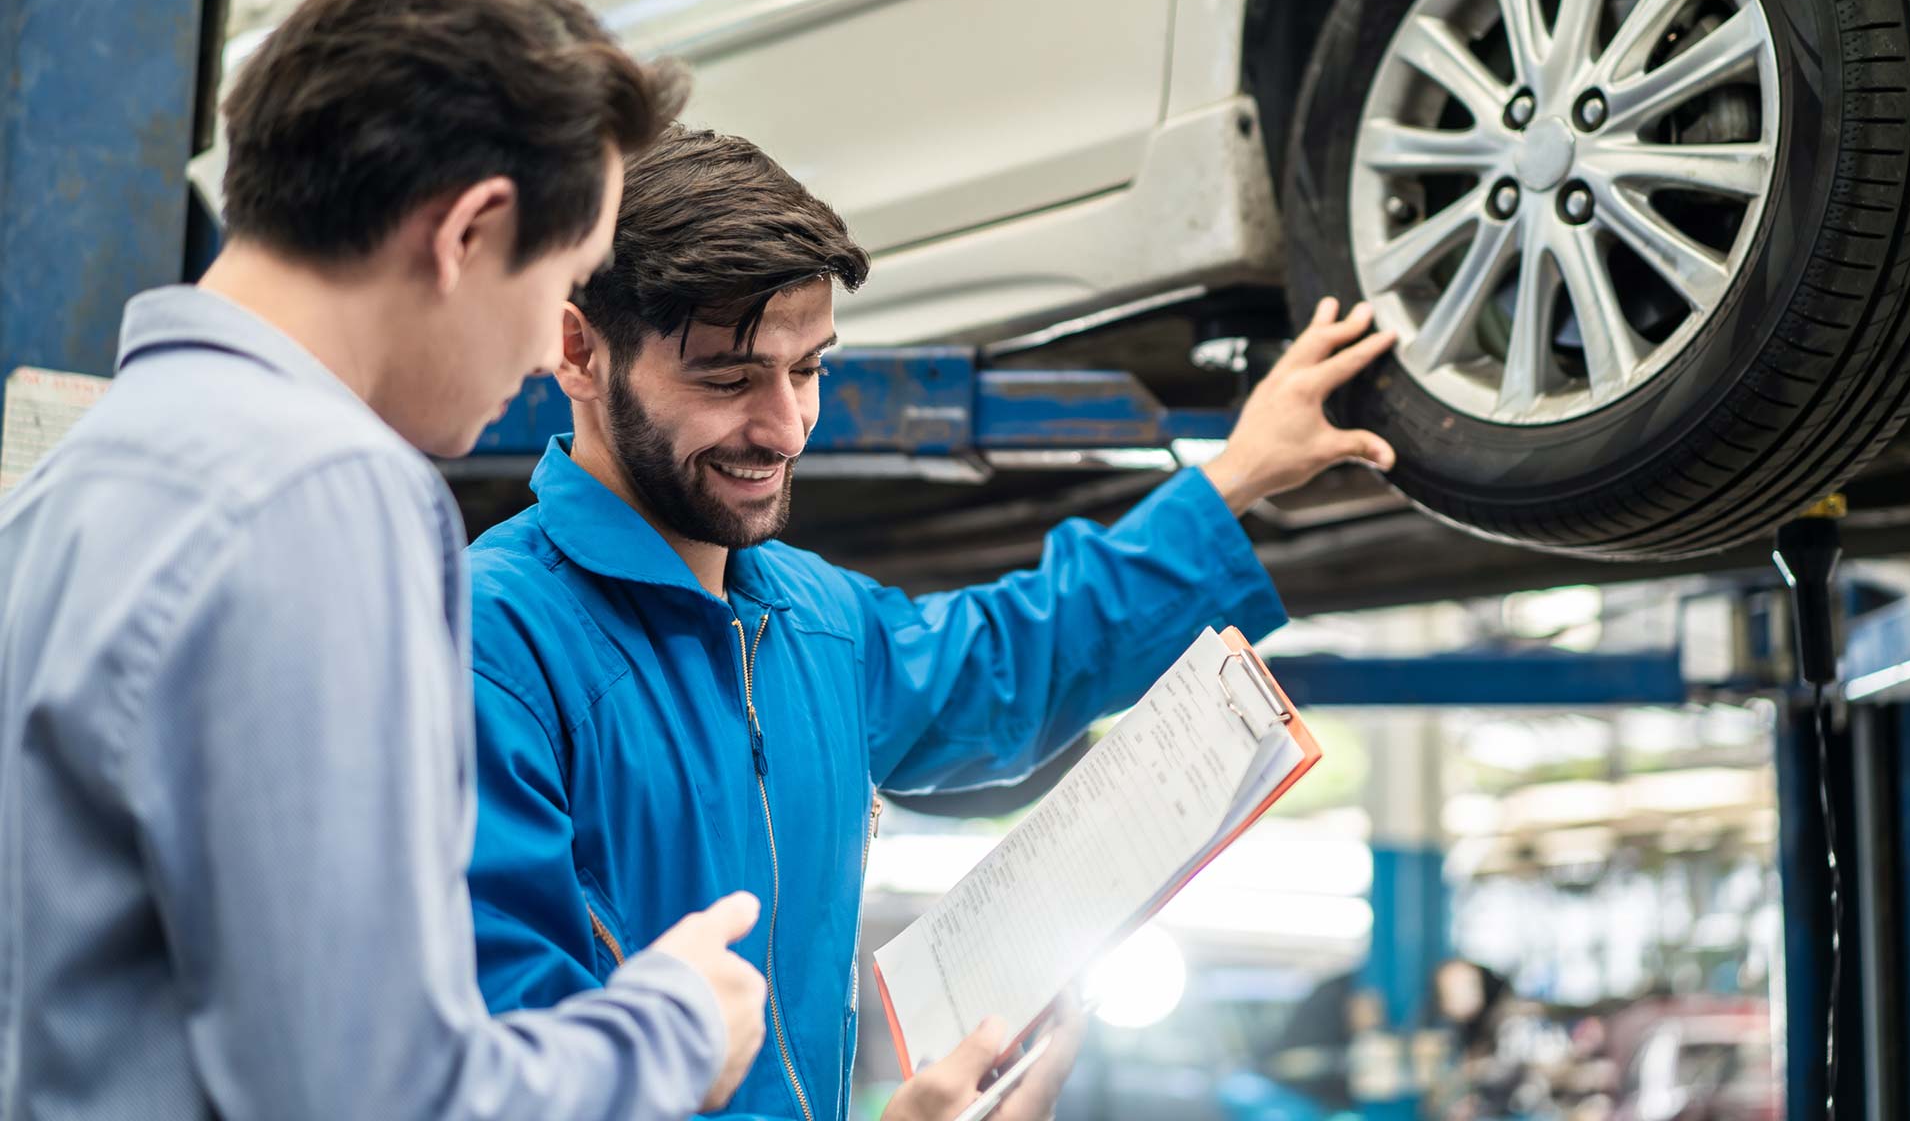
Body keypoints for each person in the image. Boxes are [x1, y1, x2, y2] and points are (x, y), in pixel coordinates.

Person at [462, 124, 1398, 1121]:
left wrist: (1238, 472)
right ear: (579, 352)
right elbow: (501, 1085)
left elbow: (1013, 653)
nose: (784, 428)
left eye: (809, 368)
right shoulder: (492, 645)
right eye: (728, 379)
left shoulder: (814, 620)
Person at [0, 0, 767, 1120]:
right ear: (470, 231)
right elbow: (374, 1092)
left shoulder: (71, 486)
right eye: (563, 276)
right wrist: (669, 1028)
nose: (533, 362)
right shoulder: (322, 492)